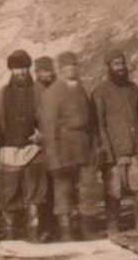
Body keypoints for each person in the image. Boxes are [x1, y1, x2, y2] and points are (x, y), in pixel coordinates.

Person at [0, 50, 47, 240]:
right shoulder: (3, 93)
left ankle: (34, 231)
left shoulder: (38, 91)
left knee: (35, 193)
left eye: (25, 68)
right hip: (9, 149)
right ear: (11, 70)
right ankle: (11, 233)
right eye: (17, 68)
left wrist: (43, 134)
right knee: (10, 192)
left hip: (33, 149)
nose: (22, 72)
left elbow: (48, 117)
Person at [37, 51, 96, 240]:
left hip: (82, 146)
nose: (71, 69)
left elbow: (90, 121)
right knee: (64, 190)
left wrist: (93, 147)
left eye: (74, 66)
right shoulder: (52, 92)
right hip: (63, 149)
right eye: (66, 67)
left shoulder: (80, 88)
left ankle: (86, 229)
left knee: (86, 189)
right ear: (61, 70)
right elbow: (49, 126)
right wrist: (54, 159)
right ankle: (66, 232)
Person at [91, 50, 138, 232]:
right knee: (113, 192)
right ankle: (113, 226)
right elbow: (98, 125)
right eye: (116, 64)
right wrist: (107, 152)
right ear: (109, 67)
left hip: (135, 149)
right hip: (114, 152)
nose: (120, 68)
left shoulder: (134, 89)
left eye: (122, 63)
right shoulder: (100, 92)